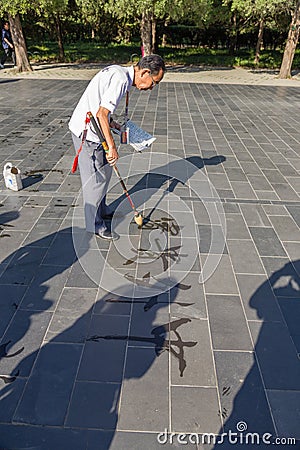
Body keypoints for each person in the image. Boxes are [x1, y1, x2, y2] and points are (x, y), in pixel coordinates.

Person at [69, 54, 165, 241]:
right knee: (95, 180)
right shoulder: (121, 80)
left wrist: (114, 125)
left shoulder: (119, 73)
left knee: (105, 174)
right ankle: (94, 224)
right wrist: (111, 147)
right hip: (87, 133)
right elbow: (101, 113)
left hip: (93, 126)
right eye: (154, 82)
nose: (152, 88)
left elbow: (100, 105)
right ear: (145, 72)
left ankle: (102, 209)